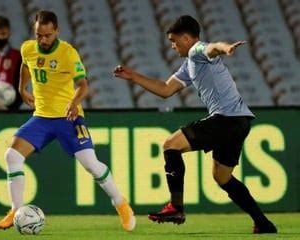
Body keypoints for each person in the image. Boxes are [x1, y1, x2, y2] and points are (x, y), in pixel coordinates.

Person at [114, 15, 276, 234]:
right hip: (240, 121)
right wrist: (134, 76)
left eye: (174, 40)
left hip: (226, 119)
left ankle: (176, 207)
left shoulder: (196, 50)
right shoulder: (190, 64)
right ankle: (263, 223)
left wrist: (224, 47)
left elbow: (211, 48)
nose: (172, 45)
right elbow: (165, 89)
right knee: (222, 177)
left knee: (170, 144)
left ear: (187, 38)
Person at [0, 10, 135, 232]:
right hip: (41, 117)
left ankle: (120, 203)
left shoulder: (68, 53)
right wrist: (22, 88)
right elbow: (25, 65)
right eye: (39, 35)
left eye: (47, 35)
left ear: (56, 31)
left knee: (91, 165)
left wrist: (73, 102)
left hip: (69, 117)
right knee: (12, 155)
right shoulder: (27, 48)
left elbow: (83, 85)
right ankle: (15, 211)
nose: (43, 39)